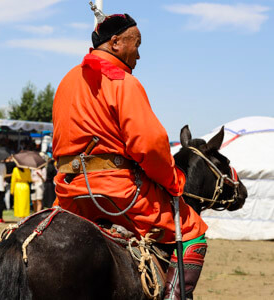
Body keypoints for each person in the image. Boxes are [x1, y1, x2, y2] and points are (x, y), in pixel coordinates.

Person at [52, 6, 208, 299]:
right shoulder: (124, 82)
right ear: (115, 43)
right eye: (136, 45)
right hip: (115, 192)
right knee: (192, 230)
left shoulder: (66, 81)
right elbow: (149, 145)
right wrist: (173, 181)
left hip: (69, 193)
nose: (138, 55)